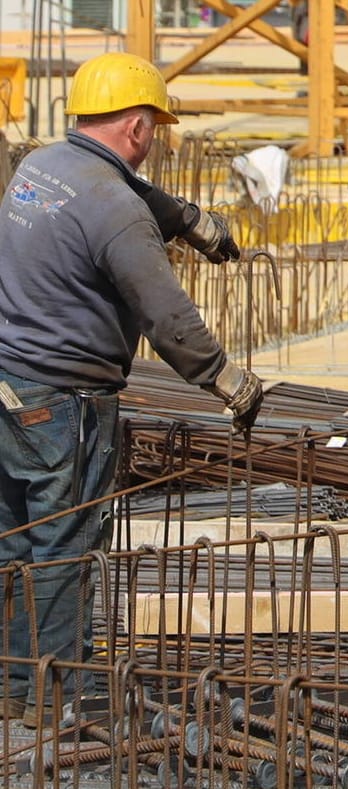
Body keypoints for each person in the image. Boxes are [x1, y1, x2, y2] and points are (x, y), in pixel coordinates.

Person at [0, 51, 264, 728]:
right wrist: (226, 381)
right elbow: (167, 318)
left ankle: (13, 685)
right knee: (66, 541)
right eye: (158, 132)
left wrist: (190, 220)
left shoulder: (40, 169)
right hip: (66, 403)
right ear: (140, 127)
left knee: (15, 538)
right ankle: (55, 696)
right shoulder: (116, 208)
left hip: (8, 384)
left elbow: (111, 190)